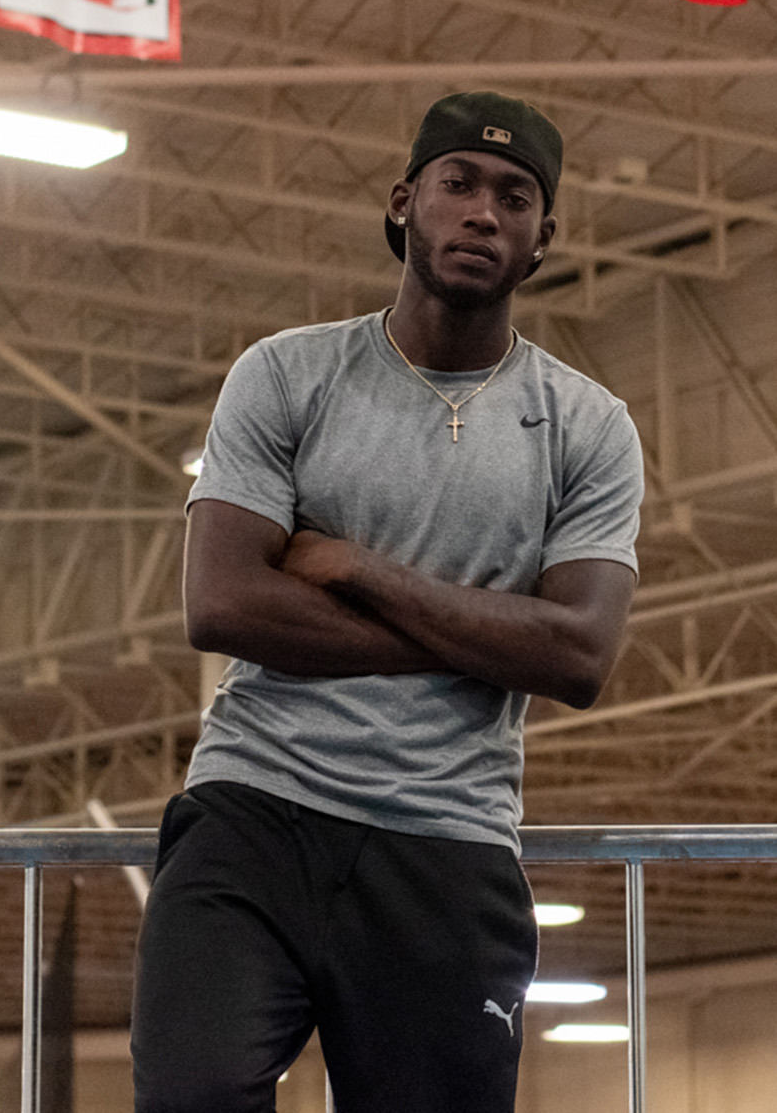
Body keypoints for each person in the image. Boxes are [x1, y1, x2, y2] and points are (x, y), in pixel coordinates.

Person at [131, 91, 644, 1113]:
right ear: (406, 201)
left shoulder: (588, 427)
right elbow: (223, 603)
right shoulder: (287, 373)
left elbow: (580, 657)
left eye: (515, 196)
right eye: (459, 184)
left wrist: (361, 570)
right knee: (189, 1096)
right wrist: (491, 636)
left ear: (543, 237)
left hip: (446, 843)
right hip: (254, 812)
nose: (483, 212)